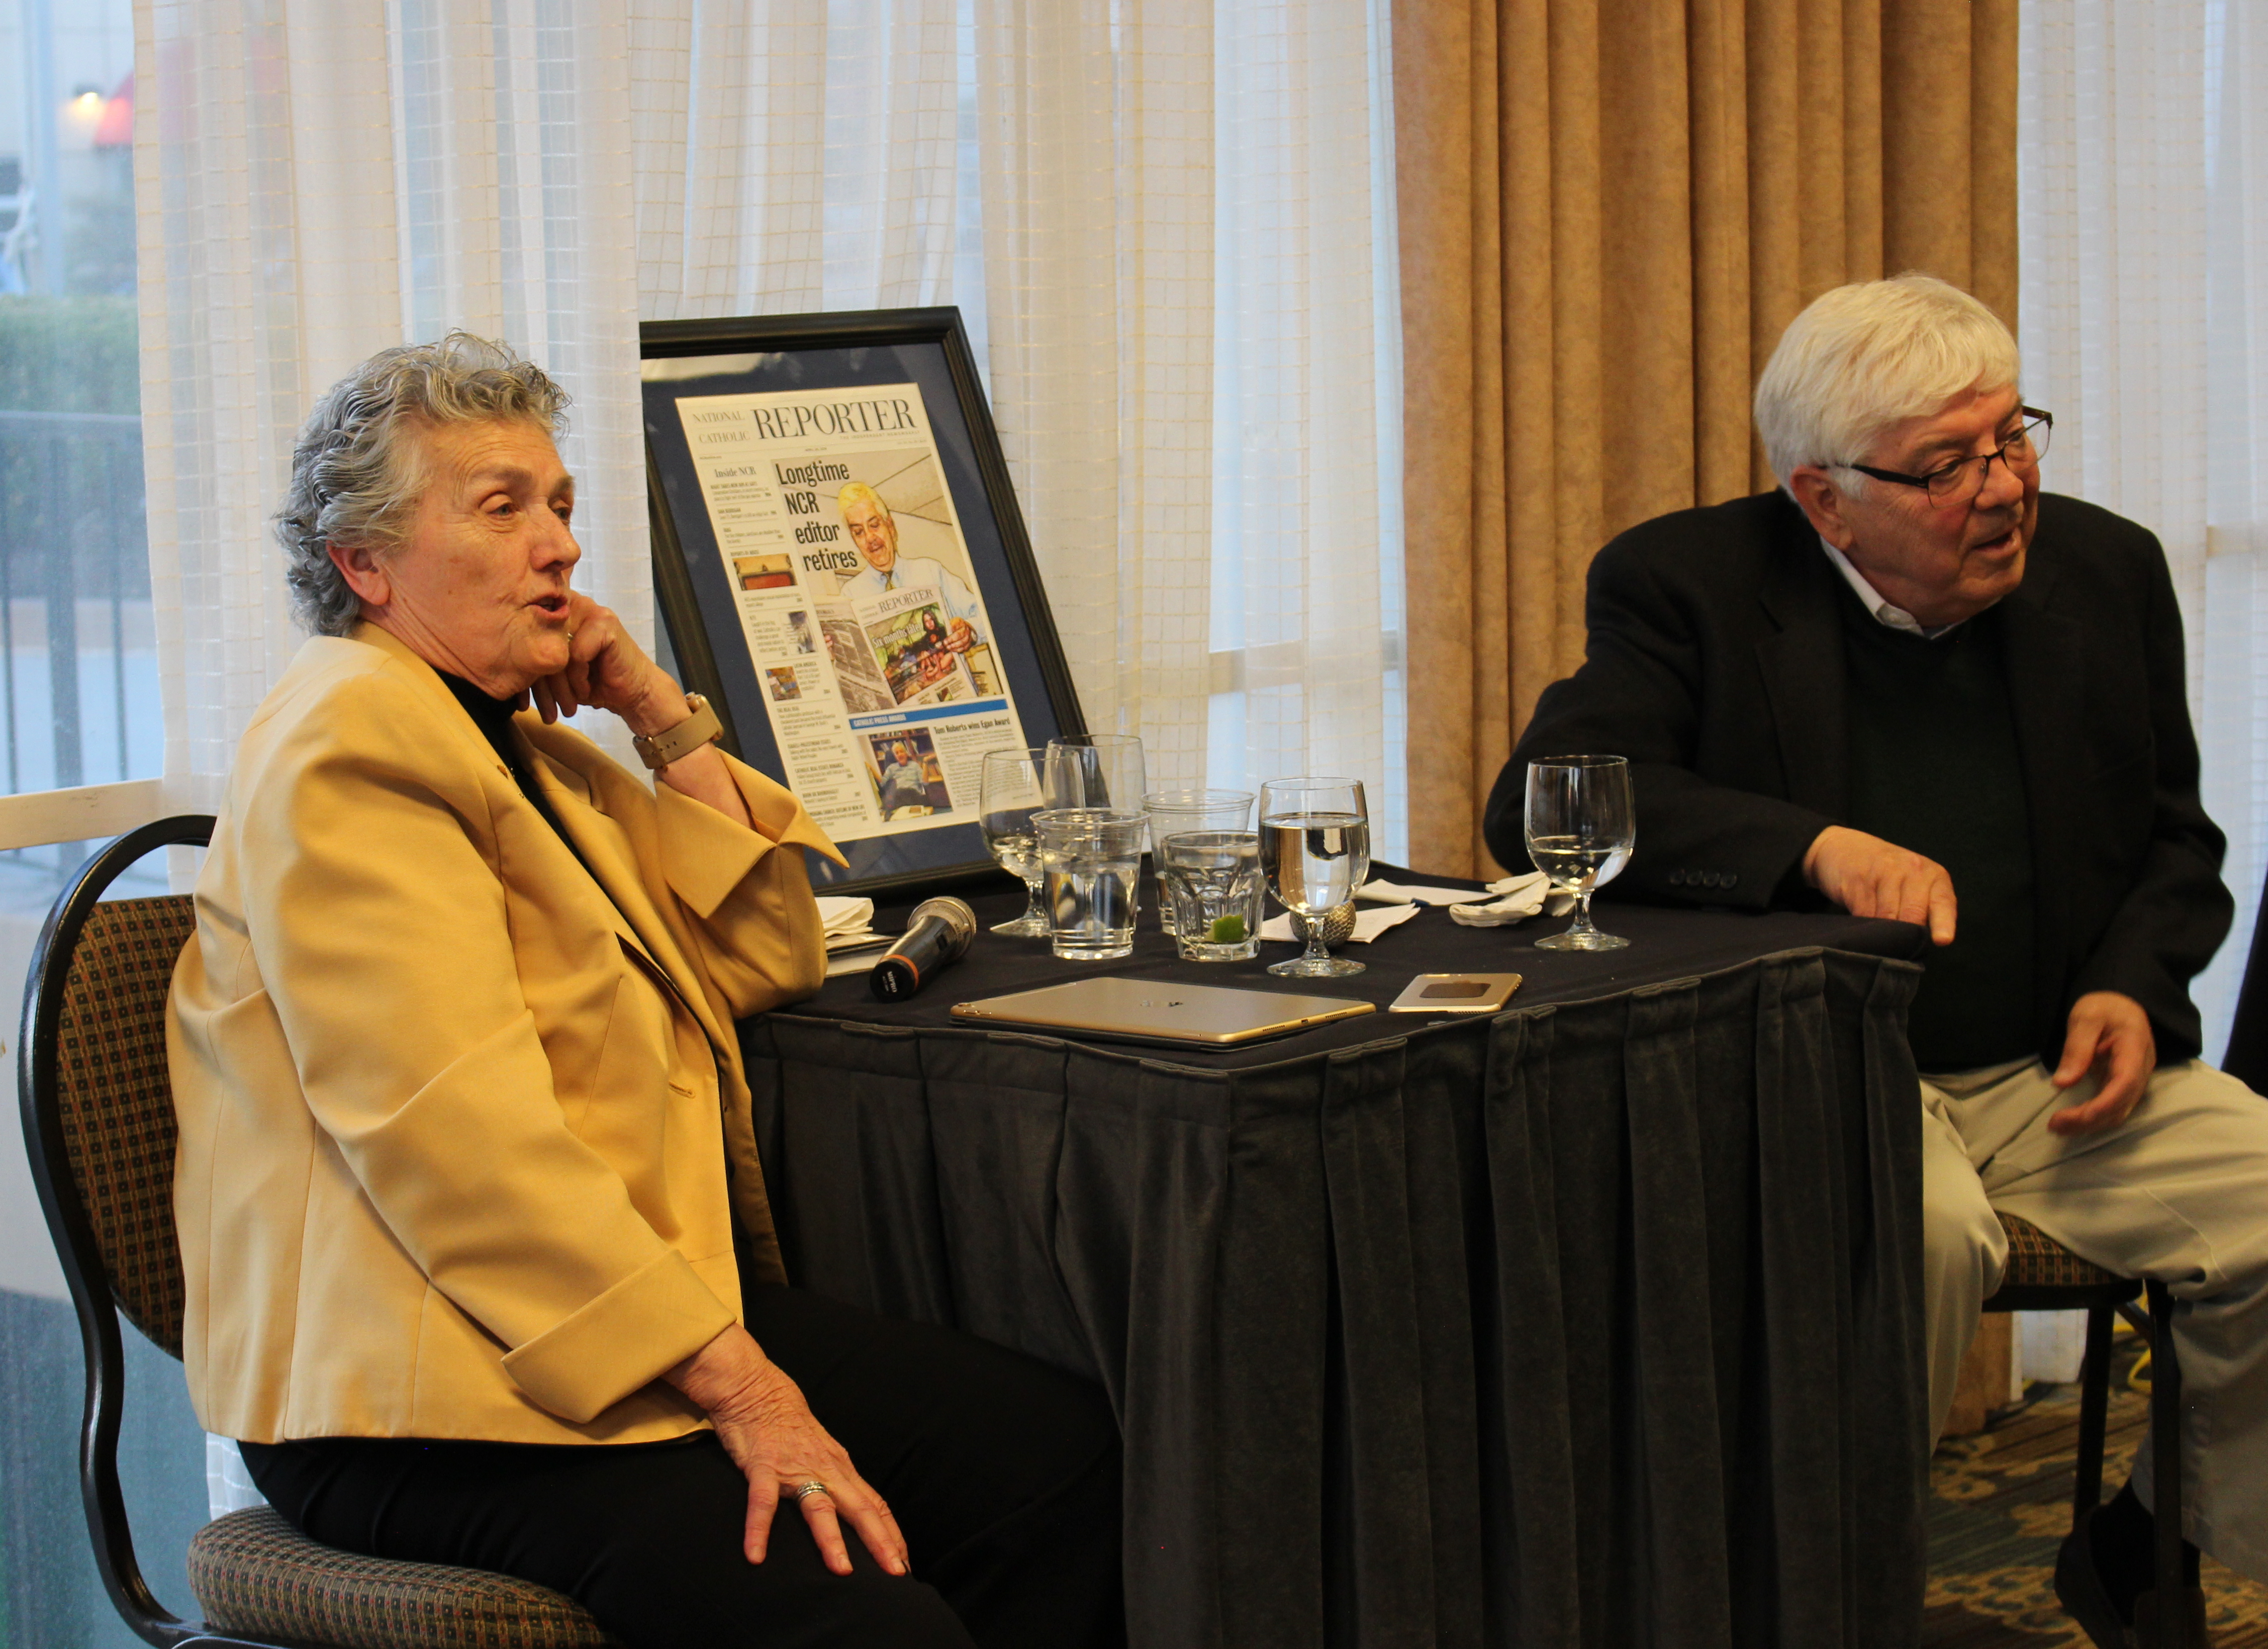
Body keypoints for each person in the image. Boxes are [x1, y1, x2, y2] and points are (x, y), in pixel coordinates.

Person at [167, 335, 1123, 1649]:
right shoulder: (353, 742)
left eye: (560, 505)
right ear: (363, 562)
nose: (558, 545)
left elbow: (759, 955)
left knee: (1049, 1461)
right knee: (867, 1628)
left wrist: (659, 714)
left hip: (575, 1323)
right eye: (501, 508)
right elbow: (457, 1144)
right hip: (420, 1391)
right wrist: (744, 1385)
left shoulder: (506, 739)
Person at [1485, 274, 2268, 1646]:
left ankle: (2155, 1537)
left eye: (2012, 438)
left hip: (2053, 1070)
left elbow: (2174, 841)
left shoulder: (2109, 570)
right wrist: (1810, 849)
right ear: (1824, 494)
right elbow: (1543, 798)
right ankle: (1838, 1600)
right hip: (1826, 1071)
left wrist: (2135, 988)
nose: (2001, 489)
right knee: (1912, 1236)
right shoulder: (1690, 587)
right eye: (1947, 465)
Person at [835, 482, 984, 653]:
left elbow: (985, 614)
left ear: (890, 527)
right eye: (859, 532)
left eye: (875, 525)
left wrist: (971, 631)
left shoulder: (930, 571)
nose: (870, 538)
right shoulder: (850, 595)